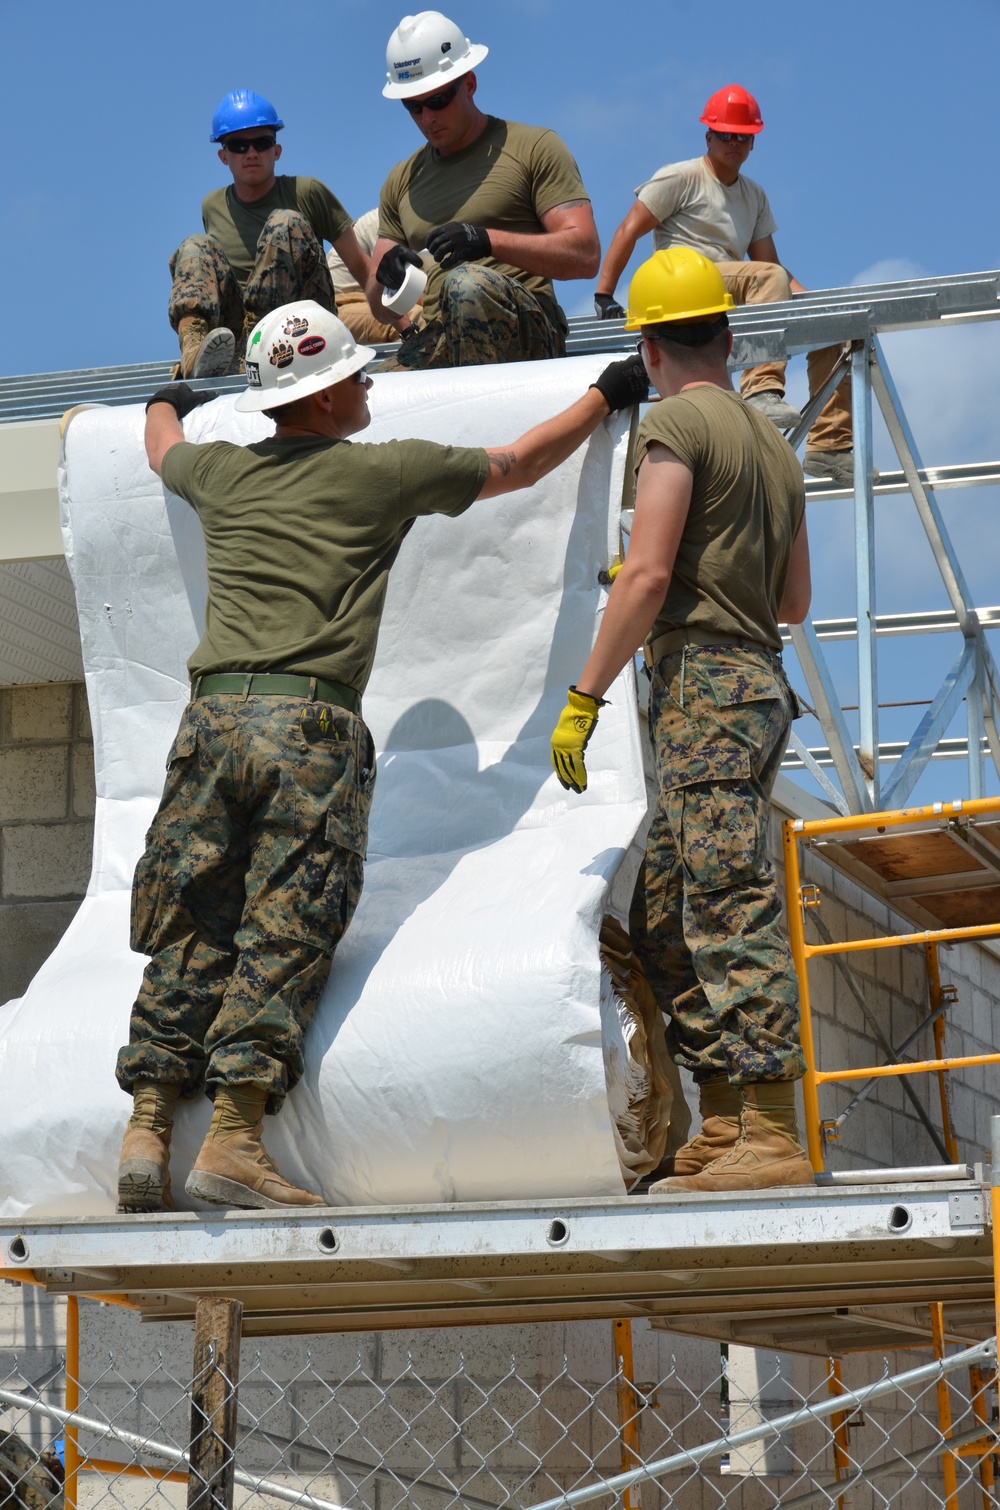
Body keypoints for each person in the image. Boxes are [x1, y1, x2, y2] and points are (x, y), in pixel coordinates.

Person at [115, 299, 649, 1213]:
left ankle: (147, 1128)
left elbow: (160, 444)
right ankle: (236, 1141)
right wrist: (607, 393)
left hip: (208, 725)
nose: (367, 386)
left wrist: (168, 393)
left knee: (192, 919)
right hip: (308, 729)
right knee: (285, 929)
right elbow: (517, 466)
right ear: (320, 400)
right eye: (353, 377)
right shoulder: (380, 476)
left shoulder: (221, 474)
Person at [551, 247, 814, 1194]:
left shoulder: (672, 425)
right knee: (668, 907)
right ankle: (727, 1121)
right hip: (755, 684)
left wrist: (584, 697)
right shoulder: (773, 441)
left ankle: (770, 1132)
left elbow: (652, 573)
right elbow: (795, 598)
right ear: (729, 336)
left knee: (725, 900)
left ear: (650, 347)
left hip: (704, 686)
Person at [593, 85, 853, 489]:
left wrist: (817, 307)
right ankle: (762, 391)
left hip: (725, 292)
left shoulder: (754, 196)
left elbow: (772, 267)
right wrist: (604, 295)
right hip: (679, 282)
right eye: (726, 134)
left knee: (829, 325)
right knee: (769, 278)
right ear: (708, 137)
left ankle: (829, 447)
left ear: (753, 142)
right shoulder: (681, 177)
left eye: (743, 136)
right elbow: (629, 229)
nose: (734, 142)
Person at [367, 10, 600, 371]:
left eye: (438, 101)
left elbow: (585, 254)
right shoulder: (401, 180)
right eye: (413, 107)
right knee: (361, 399)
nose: (427, 118)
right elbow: (381, 309)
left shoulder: (534, 147)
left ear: (470, 84)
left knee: (466, 283)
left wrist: (486, 240)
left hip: (527, 333)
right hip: (439, 338)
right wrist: (387, 279)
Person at [168, 90, 388, 379]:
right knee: (195, 245)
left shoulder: (307, 192)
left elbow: (361, 268)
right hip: (240, 335)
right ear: (224, 156)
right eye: (238, 145)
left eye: (262, 143)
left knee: (285, 222)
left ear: (277, 151)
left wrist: (404, 325)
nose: (251, 153)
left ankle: (259, 347)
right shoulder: (212, 206)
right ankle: (194, 353)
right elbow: (214, 281)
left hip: (300, 324)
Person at [327, 208, 424, 345]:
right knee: (418, 316)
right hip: (341, 307)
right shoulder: (381, 224)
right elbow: (397, 286)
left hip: (370, 300)